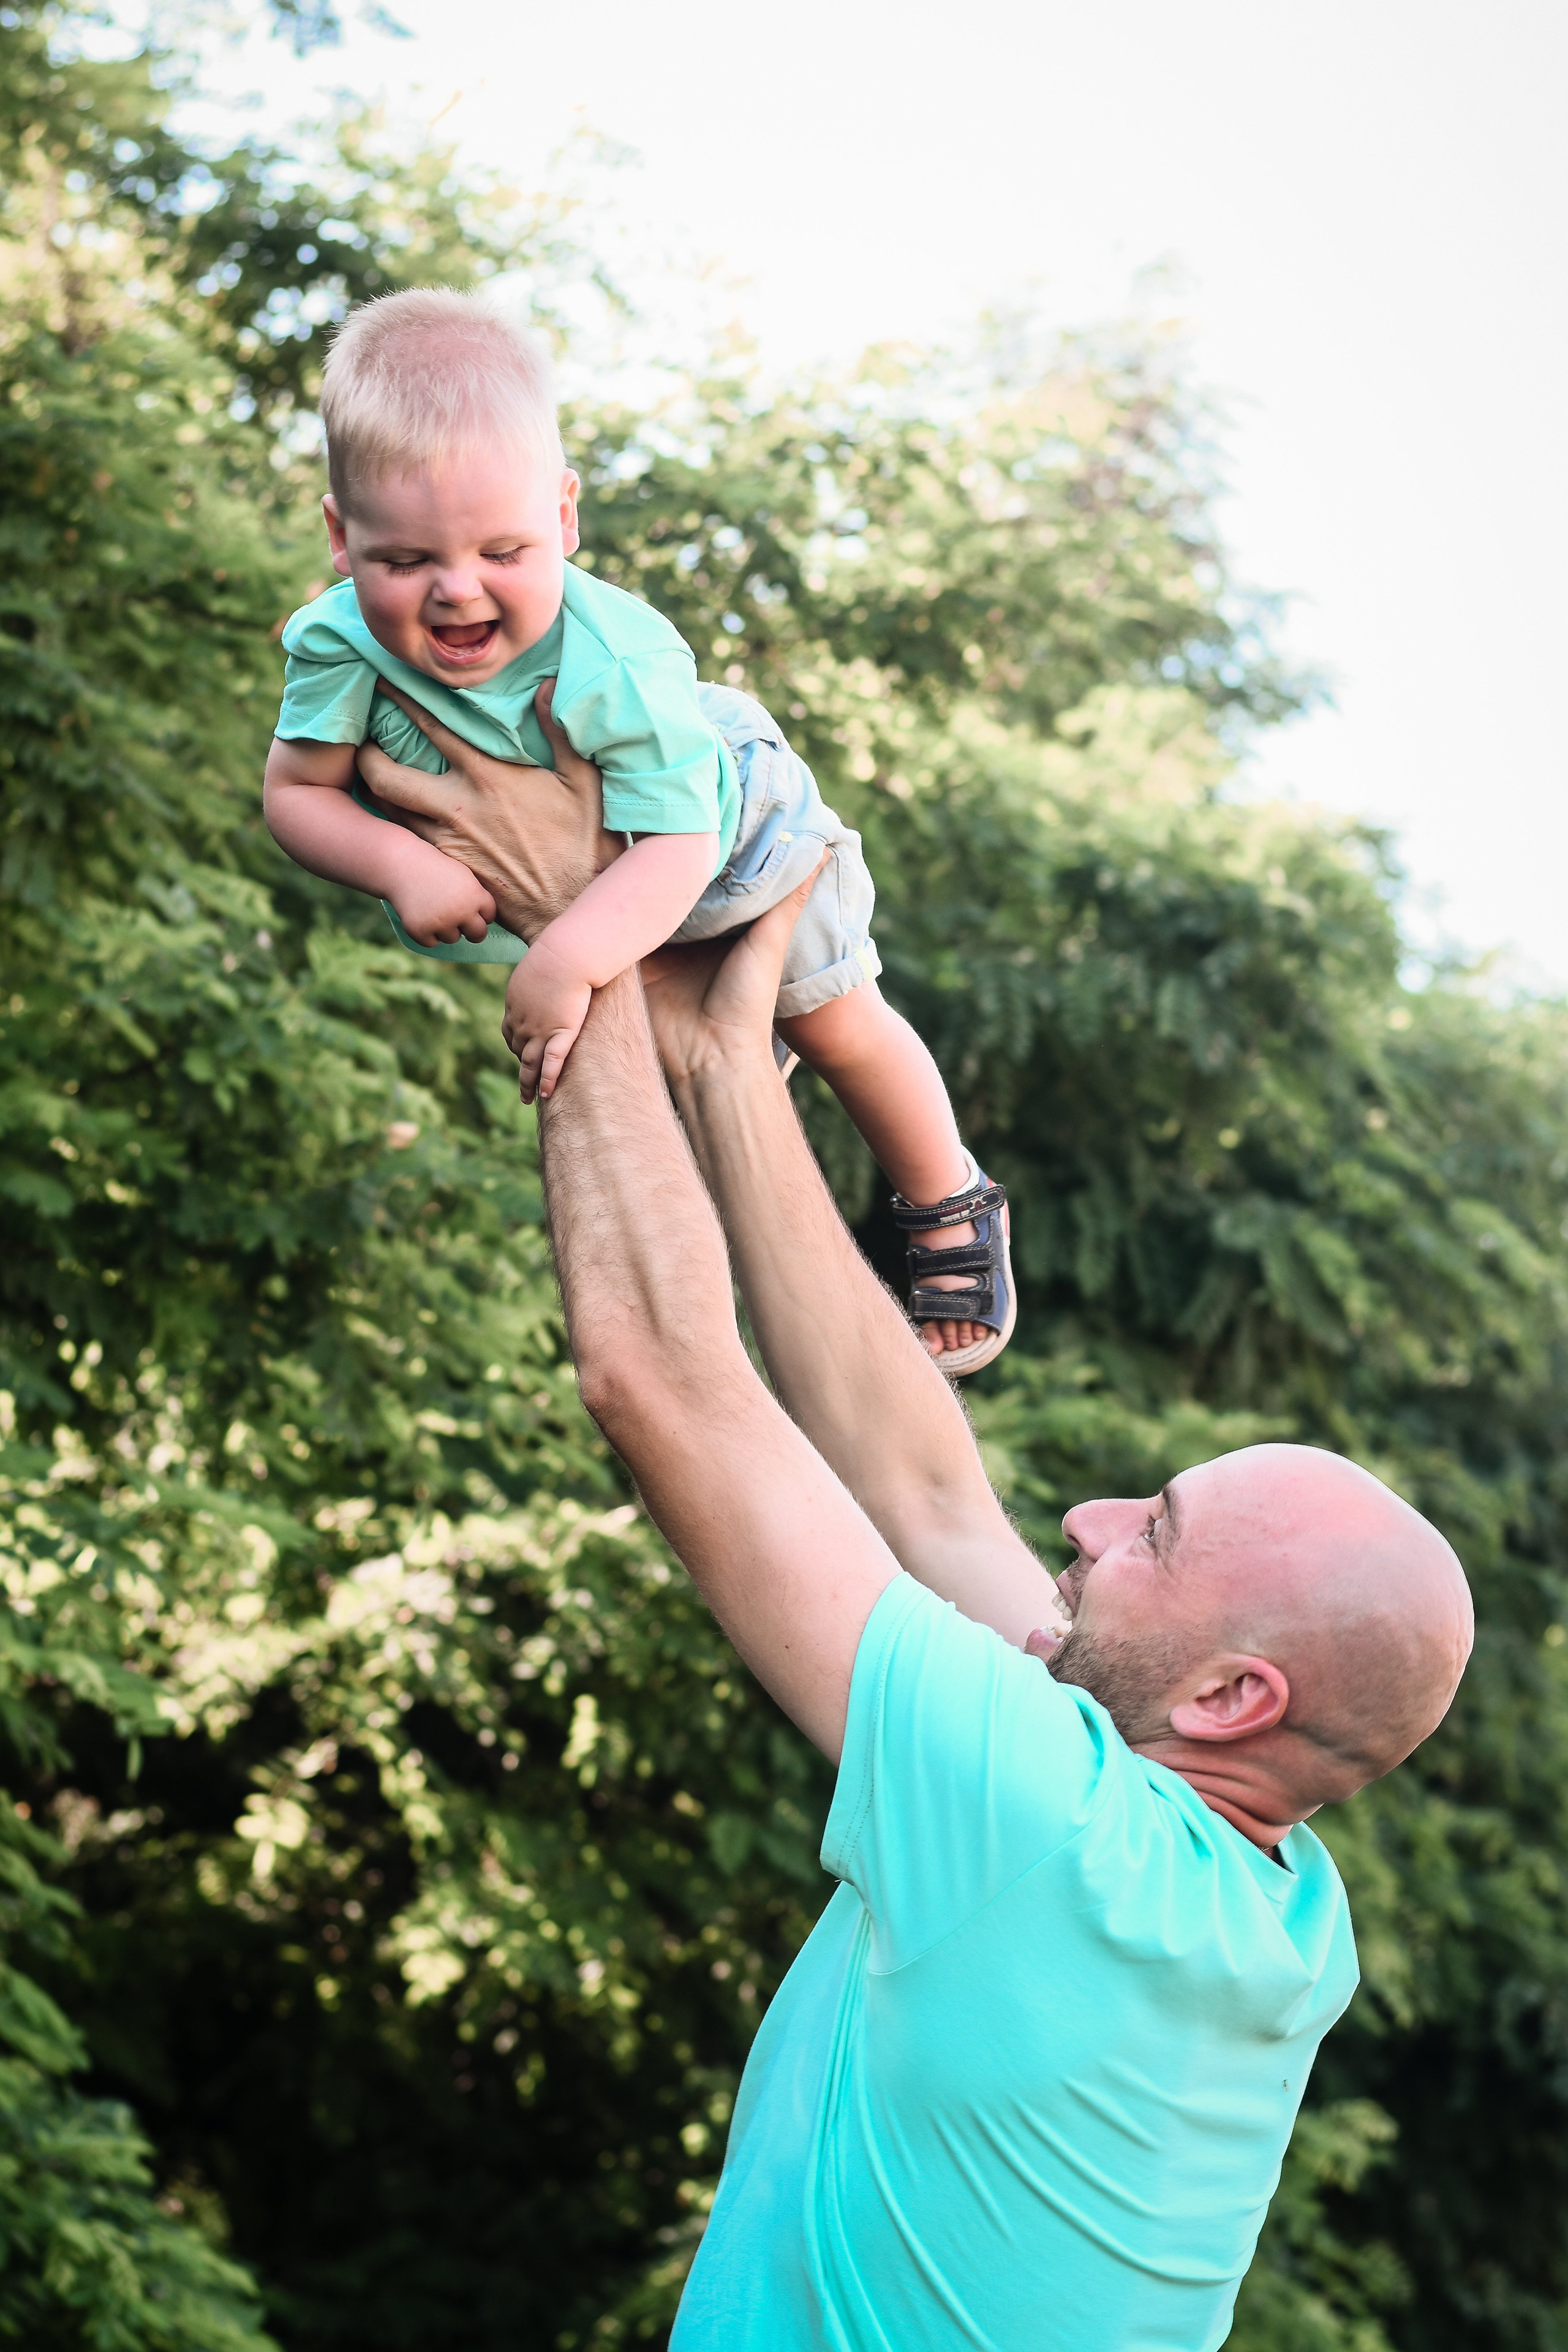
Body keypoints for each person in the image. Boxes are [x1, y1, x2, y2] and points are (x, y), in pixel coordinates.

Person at [353, 703, 1474, 2352]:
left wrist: (567, 933)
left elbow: (660, 1379)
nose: (1082, 1521)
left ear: (1235, 1698)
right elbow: (926, 1483)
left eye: (1149, 1532)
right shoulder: (1266, 1905)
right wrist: (731, 1072)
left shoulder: (1051, 1828)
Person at [262, 288, 1011, 1370]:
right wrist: (397, 863)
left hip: (730, 834)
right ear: (343, 538)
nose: (456, 590)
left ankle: (949, 1195)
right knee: (657, 1104)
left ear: (564, 519)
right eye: (406, 561)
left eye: (504, 551)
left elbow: (680, 848)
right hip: (594, 874)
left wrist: (566, 957)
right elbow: (297, 794)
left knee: (830, 1014)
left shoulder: (614, 655)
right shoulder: (334, 643)